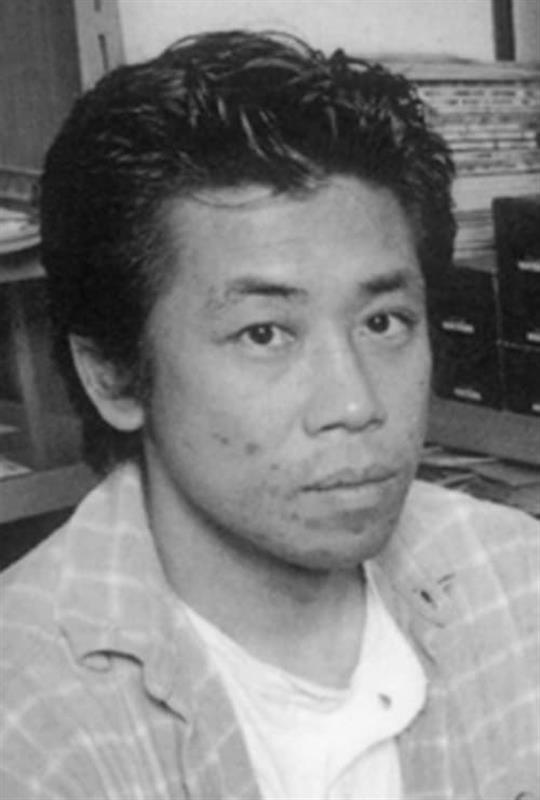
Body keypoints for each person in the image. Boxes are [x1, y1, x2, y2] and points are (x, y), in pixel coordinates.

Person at [0, 30, 538, 800]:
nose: (355, 404)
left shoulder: (518, 582)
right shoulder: (27, 717)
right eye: (264, 334)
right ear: (114, 377)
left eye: (383, 322)